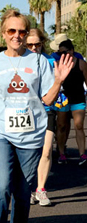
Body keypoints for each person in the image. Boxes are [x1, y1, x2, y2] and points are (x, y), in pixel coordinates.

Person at [0, 10, 72, 223]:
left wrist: (58, 81)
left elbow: (48, 100)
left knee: (24, 192)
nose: (17, 35)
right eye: (12, 30)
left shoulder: (39, 61)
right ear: (4, 34)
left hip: (31, 135)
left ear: (26, 34)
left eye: (22, 31)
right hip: (0, 133)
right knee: (2, 186)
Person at [25, 29, 56, 206]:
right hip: (25, 112)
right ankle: (27, 189)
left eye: (38, 44)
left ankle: (41, 189)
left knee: (46, 151)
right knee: (29, 153)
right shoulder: (18, 62)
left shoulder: (50, 61)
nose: (34, 47)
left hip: (47, 109)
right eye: (30, 44)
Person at [51, 37, 87, 166]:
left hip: (78, 98)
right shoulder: (58, 64)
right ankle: (61, 153)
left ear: (72, 51)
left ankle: (82, 154)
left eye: (65, 52)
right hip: (63, 99)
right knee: (61, 126)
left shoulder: (81, 63)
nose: (63, 55)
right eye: (61, 53)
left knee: (78, 125)